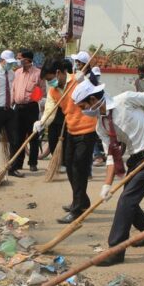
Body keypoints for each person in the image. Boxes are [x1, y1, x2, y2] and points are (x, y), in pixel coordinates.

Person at [72, 80, 144, 265]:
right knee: (128, 199)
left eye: (83, 106)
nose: (82, 110)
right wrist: (107, 185)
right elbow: (110, 155)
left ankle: (116, 250)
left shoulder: (124, 99)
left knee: (126, 200)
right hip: (135, 158)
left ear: (93, 99)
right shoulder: (101, 125)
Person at [35, 58, 97, 224]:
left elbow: (97, 97)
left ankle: (77, 209)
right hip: (71, 130)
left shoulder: (78, 80)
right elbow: (50, 111)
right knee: (69, 166)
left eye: (51, 79)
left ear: (59, 72)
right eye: (48, 81)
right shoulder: (53, 91)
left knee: (79, 168)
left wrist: (87, 83)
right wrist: (41, 123)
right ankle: (82, 200)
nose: (50, 83)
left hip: (87, 130)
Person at [13, 49, 46, 172]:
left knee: (33, 136)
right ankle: (18, 163)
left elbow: (42, 92)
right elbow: (13, 90)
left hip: (31, 108)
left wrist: (36, 101)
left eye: (19, 58)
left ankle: (33, 163)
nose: (18, 60)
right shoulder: (17, 73)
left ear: (27, 60)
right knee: (18, 138)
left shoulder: (38, 73)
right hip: (18, 108)